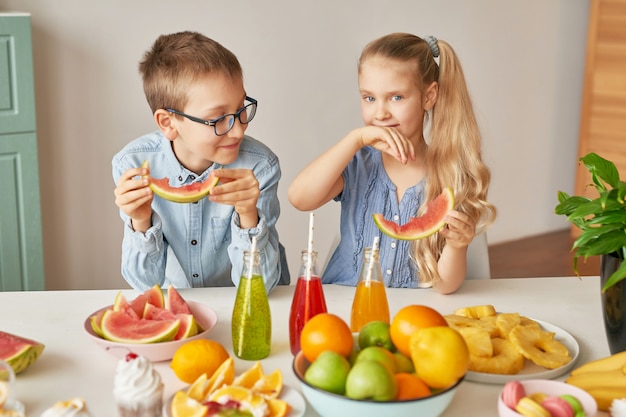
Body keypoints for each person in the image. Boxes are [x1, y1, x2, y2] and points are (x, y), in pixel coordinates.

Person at [288, 33, 496, 294]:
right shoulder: (356, 163)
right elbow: (299, 198)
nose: (380, 113)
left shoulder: (452, 176)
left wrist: (457, 245)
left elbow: (445, 287)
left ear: (429, 96)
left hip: (412, 312)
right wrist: (355, 139)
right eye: (369, 98)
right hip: (344, 304)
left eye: (396, 97)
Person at [112, 31, 290, 292]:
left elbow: (261, 286)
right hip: (181, 303)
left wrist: (248, 215)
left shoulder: (259, 167)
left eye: (241, 110)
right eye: (217, 119)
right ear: (168, 123)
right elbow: (145, 284)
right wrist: (140, 222)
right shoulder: (135, 165)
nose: (238, 130)